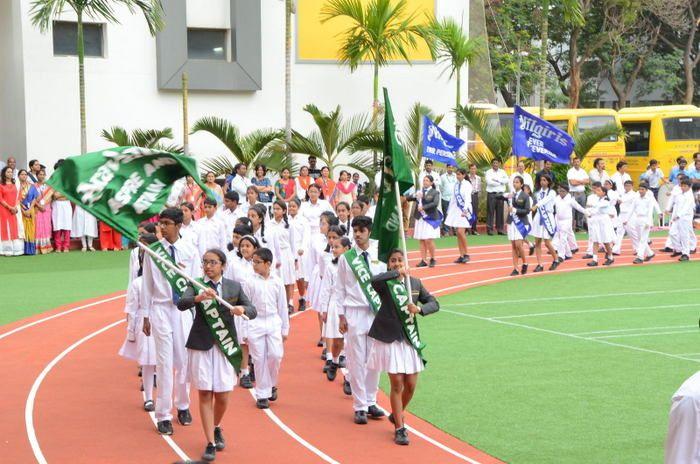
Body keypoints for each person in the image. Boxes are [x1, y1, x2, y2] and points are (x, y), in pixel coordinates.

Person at [177, 248, 256, 462]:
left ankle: (216, 425)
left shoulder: (233, 286)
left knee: (222, 394)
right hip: (201, 344)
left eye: (213, 262)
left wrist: (242, 309)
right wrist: (198, 297)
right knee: (205, 393)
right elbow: (181, 303)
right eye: (205, 262)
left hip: (225, 346)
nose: (208, 266)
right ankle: (210, 442)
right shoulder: (196, 283)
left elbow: (252, 309)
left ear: (223, 265)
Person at [367, 249, 439, 445]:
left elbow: (434, 303)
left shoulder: (415, 283)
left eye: (400, 260)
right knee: (397, 383)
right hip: (390, 339)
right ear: (389, 264)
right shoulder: (386, 283)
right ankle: (400, 428)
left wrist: (421, 309)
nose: (397, 263)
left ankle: (396, 414)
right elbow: (374, 281)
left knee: (411, 386)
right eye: (393, 261)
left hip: (409, 339)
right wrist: (396, 274)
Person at [141, 207, 201, 435]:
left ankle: (183, 405)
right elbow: (147, 284)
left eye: (166, 223)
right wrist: (145, 314)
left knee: (184, 361)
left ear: (178, 225)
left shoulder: (190, 249)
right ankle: (163, 413)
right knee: (164, 363)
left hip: (183, 311)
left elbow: (195, 282)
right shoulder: (153, 251)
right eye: (160, 223)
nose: (162, 227)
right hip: (160, 309)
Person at [336, 216, 388, 424]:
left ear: (369, 232)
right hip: (355, 312)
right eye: (355, 230)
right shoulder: (346, 258)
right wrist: (341, 315)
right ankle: (359, 405)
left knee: (375, 360)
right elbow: (339, 289)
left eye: (361, 230)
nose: (357, 234)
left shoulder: (380, 253)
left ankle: (371, 400)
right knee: (357, 360)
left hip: (376, 312)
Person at [243, 248, 289, 409]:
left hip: (273, 322)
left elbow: (282, 306)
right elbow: (245, 307)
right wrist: (244, 330)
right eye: (252, 262)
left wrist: (285, 329)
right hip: (255, 322)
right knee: (259, 358)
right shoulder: (249, 281)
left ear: (267, 264)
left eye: (257, 262)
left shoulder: (277, 281)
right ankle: (262, 394)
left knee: (276, 355)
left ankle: (272, 384)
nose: (254, 265)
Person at [118, 233, 159, 413]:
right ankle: (149, 397)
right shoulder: (138, 283)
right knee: (148, 362)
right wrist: (131, 332)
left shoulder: (163, 282)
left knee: (165, 363)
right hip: (145, 325)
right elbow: (132, 309)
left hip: (163, 321)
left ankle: (172, 401)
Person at [224, 234, 259, 390]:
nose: (244, 248)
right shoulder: (234, 264)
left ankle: (254, 367)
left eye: (248, 246)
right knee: (243, 341)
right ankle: (244, 373)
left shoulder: (259, 264)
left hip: (256, 307)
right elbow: (228, 283)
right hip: (240, 306)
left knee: (255, 341)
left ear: (255, 248)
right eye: (242, 245)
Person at [318, 236, 352, 381]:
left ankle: (349, 378)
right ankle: (335, 361)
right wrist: (324, 309)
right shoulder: (331, 266)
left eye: (337, 247)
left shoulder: (354, 266)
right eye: (333, 247)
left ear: (347, 249)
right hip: (334, 303)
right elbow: (325, 288)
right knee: (338, 340)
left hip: (351, 304)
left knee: (351, 341)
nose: (334, 249)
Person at [267, 200, 296, 313]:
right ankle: (279, 305)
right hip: (274, 255)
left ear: (284, 211)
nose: (275, 211)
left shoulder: (289, 225)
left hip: (287, 254)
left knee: (288, 281)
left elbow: (292, 243)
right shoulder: (269, 224)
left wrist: (294, 259)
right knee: (278, 280)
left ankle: (288, 304)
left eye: (278, 209)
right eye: (274, 209)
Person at [407, 175, 441, 267]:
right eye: (424, 180)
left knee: (428, 239)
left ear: (431, 182)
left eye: (427, 180)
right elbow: (408, 198)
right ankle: (423, 260)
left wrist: (424, 206)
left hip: (430, 218)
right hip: (420, 218)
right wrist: (415, 196)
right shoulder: (419, 191)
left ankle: (433, 258)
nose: (425, 182)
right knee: (422, 240)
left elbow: (435, 203)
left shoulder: (435, 192)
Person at [530, 175, 560, 272]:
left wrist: (536, 205)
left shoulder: (552, 192)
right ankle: (540, 264)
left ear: (548, 182)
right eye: (541, 180)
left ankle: (556, 259)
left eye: (544, 180)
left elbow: (545, 200)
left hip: (548, 217)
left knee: (547, 242)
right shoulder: (538, 193)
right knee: (537, 241)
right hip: (539, 217)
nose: (542, 182)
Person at [625, 182, 659, 264]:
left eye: (642, 189)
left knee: (643, 240)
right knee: (640, 239)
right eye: (639, 189)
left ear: (646, 190)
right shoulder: (636, 199)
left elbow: (650, 211)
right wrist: (626, 219)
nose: (640, 191)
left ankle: (640, 257)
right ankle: (650, 253)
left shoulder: (649, 199)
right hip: (638, 219)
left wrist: (649, 222)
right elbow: (631, 209)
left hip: (645, 220)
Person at [445, 168, 473, 264]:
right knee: (458, 233)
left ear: (464, 175)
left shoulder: (467, 184)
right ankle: (461, 255)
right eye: (457, 174)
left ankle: (467, 254)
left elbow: (468, 198)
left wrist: (465, 209)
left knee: (461, 231)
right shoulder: (456, 185)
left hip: (465, 210)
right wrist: (449, 210)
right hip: (456, 210)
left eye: (459, 174)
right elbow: (453, 198)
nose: (458, 176)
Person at [552, 184, 587, 261]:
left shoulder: (570, 200)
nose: (561, 192)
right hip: (558, 220)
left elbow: (579, 207)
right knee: (562, 237)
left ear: (567, 192)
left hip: (567, 221)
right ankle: (568, 254)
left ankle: (561, 255)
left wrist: (587, 212)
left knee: (563, 237)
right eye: (560, 191)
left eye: (563, 191)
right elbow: (550, 205)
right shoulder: (556, 198)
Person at [585, 182, 616, 267]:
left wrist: (590, 210)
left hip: (604, 222)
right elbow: (594, 209)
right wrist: (589, 212)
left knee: (606, 241)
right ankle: (594, 260)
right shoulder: (597, 200)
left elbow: (597, 207)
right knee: (595, 240)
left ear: (604, 193)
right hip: (597, 222)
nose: (596, 192)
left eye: (599, 190)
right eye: (596, 190)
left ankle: (610, 257)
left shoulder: (605, 201)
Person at [506, 176, 531, 275]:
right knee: (513, 245)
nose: (515, 184)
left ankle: (524, 262)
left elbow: (527, 210)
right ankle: (515, 268)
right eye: (514, 182)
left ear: (521, 184)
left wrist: (516, 210)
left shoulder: (525, 196)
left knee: (518, 244)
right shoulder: (511, 195)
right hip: (511, 222)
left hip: (521, 222)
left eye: (517, 182)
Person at [288, 198, 310, 311]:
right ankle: (290, 302)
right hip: (288, 252)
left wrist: (302, 248)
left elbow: (306, 236)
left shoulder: (303, 220)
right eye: (289, 206)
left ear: (298, 207)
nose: (291, 208)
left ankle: (302, 298)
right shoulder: (285, 220)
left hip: (299, 252)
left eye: (293, 206)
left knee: (299, 278)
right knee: (289, 278)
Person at [669, 179, 695, 261]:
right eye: (682, 186)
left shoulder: (690, 196)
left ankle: (686, 254)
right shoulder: (679, 194)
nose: (683, 187)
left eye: (685, 186)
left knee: (684, 236)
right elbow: (675, 204)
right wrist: (670, 210)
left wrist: (679, 215)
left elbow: (686, 207)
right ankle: (678, 249)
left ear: (689, 187)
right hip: (677, 217)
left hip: (685, 218)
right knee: (672, 233)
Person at [0, 166, 23, 256]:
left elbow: (19, 196)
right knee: (5, 226)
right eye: (8, 172)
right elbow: (1, 199)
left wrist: (15, 206)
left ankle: (15, 249)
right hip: (4, 209)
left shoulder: (15, 184)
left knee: (14, 227)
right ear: (4, 173)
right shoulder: (1, 185)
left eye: (11, 172)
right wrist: (10, 207)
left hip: (14, 209)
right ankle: (6, 250)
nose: (10, 173)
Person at [485, 159, 508, 235]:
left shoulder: (502, 172)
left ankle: (500, 229)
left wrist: (497, 180)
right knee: (490, 212)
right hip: (492, 194)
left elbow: (506, 180)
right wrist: (500, 182)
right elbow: (489, 182)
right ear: (492, 164)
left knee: (500, 212)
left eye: (497, 163)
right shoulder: (488, 172)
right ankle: (489, 229)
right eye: (494, 163)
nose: (495, 164)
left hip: (500, 194)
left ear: (499, 164)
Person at [33, 169, 54, 254]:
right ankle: (37, 247)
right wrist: (39, 206)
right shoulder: (33, 186)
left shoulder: (48, 186)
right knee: (38, 226)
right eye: (40, 174)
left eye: (43, 174)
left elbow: (51, 197)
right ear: (37, 176)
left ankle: (47, 246)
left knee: (46, 226)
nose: (41, 176)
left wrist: (44, 203)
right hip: (37, 208)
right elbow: (32, 198)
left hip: (46, 208)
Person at [567, 156, 589, 231]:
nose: (576, 163)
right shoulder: (570, 171)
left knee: (581, 210)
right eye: (575, 162)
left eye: (578, 162)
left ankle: (579, 227)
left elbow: (587, 181)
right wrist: (582, 181)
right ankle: (571, 227)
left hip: (582, 193)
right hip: (573, 193)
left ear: (580, 162)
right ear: (573, 163)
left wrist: (578, 181)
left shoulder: (583, 171)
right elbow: (572, 183)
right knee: (572, 211)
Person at [18, 170, 38, 255]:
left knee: (31, 228)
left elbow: (34, 198)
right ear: (18, 176)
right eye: (22, 174)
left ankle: (30, 250)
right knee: (22, 228)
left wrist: (29, 209)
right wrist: (23, 209)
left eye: (25, 174)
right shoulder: (16, 187)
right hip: (20, 210)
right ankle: (22, 249)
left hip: (31, 210)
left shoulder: (31, 186)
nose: (24, 176)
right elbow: (16, 199)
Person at [439, 164, 457, 235]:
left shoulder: (456, 176)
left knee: (455, 214)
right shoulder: (442, 177)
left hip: (454, 199)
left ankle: (455, 230)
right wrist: (445, 193)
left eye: (452, 168)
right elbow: (441, 187)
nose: (450, 169)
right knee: (446, 214)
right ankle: (446, 231)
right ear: (446, 168)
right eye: (449, 167)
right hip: (445, 198)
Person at [467, 163, 482, 235]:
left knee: (475, 213)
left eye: (474, 169)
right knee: (467, 212)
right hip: (468, 196)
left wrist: (477, 196)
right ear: (469, 169)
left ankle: (474, 229)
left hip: (475, 196)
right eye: (472, 169)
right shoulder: (466, 177)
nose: (473, 170)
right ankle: (467, 230)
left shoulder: (478, 178)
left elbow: (479, 188)